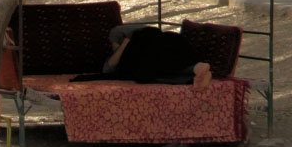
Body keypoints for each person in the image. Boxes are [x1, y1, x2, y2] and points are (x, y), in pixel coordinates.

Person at [74, 24, 211, 87]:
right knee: (162, 69)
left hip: (158, 46)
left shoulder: (117, 34)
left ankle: (193, 74)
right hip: (177, 47)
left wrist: (126, 43)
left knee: (145, 75)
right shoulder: (131, 32)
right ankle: (195, 70)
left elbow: (110, 67)